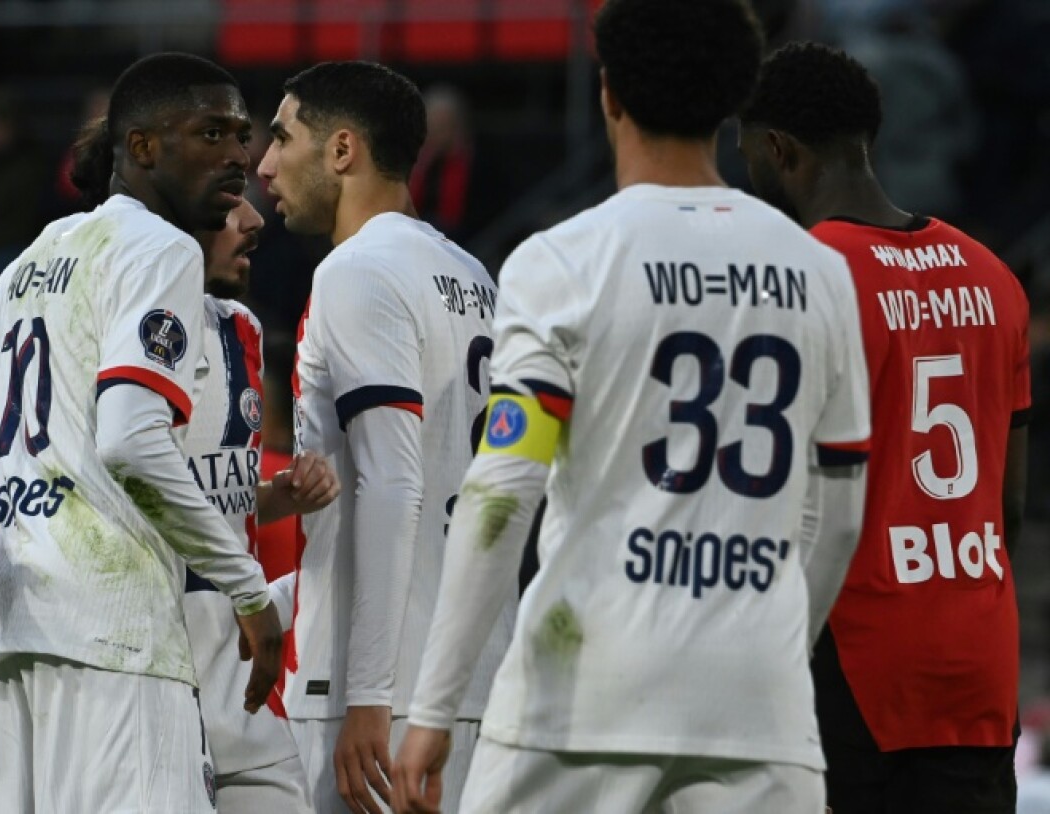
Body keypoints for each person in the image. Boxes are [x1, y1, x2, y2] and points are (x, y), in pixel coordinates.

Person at [391, 1, 873, 812]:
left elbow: (503, 492)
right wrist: (778, 644)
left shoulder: (563, 261)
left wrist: (435, 706)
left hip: (584, 690)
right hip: (759, 700)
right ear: (734, 102)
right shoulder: (818, 269)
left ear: (608, 93)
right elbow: (842, 510)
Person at [0, 52, 283, 813]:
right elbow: (132, 440)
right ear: (142, 149)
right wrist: (247, 589)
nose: (239, 153)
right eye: (211, 133)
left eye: (241, 134)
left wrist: (35, 443)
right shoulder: (161, 249)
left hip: (10, 631)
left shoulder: (34, 261)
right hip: (116, 630)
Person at [738, 42, 1030, 814]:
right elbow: (1012, 507)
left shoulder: (803, 276)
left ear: (778, 150)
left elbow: (775, 496)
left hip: (856, 659)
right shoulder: (995, 277)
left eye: (746, 152)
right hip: (979, 658)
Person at [257, 61, 513, 814]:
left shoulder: (355, 272)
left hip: (378, 694)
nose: (266, 165)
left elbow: (392, 483)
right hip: (469, 672)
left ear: (342, 151)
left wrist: (366, 694)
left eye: (282, 138)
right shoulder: (471, 274)